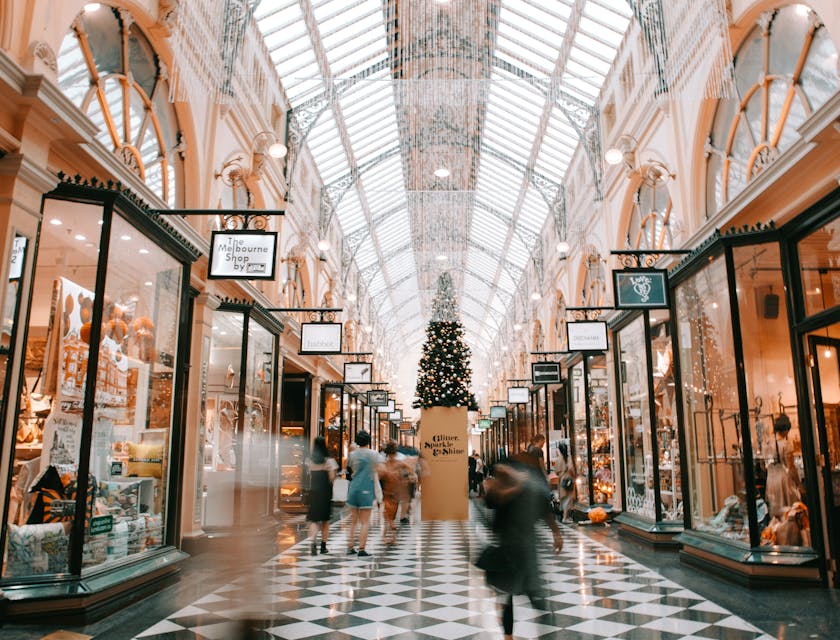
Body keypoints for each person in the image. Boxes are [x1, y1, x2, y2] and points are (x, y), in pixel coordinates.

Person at [481, 458, 563, 640]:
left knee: (531, 596)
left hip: (524, 550)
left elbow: (545, 510)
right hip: (510, 550)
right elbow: (492, 500)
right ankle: (508, 636)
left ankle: (534, 635)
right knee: (511, 597)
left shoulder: (524, 490)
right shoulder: (503, 489)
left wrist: (556, 534)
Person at [345, 430, 381, 557]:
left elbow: (348, 469)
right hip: (366, 488)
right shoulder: (374, 454)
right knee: (364, 522)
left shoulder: (352, 454)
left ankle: (350, 547)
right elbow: (379, 469)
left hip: (353, 488)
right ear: (369, 441)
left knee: (353, 521)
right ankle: (361, 549)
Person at [764, 414, 804, 518]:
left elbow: (764, 464)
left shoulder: (767, 443)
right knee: (788, 511)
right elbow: (791, 467)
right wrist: (799, 484)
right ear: (786, 429)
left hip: (771, 480)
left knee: (775, 510)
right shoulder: (785, 444)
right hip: (782, 480)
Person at [377, 440, 416, 544]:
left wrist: (408, 478)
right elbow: (411, 471)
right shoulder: (396, 463)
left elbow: (411, 471)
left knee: (390, 515)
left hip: (391, 493)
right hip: (391, 493)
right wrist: (410, 478)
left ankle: (388, 536)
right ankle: (390, 534)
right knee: (389, 515)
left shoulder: (386, 464)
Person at [306, 436, 338, 555]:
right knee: (325, 521)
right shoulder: (329, 461)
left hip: (314, 493)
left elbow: (309, 475)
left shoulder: (310, 461)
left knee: (314, 520)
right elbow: (332, 478)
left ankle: (313, 543)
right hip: (325, 493)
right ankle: (323, 546)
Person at [553, 442, 575, 523]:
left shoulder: (558, 459)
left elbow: (556, 471)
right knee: (568, 498)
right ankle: (565, 517)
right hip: (568, 479)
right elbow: (571, 468)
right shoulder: (568, 458)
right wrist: (574, 476)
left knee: (563, 498)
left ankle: (565, 516)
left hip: (561, 480)